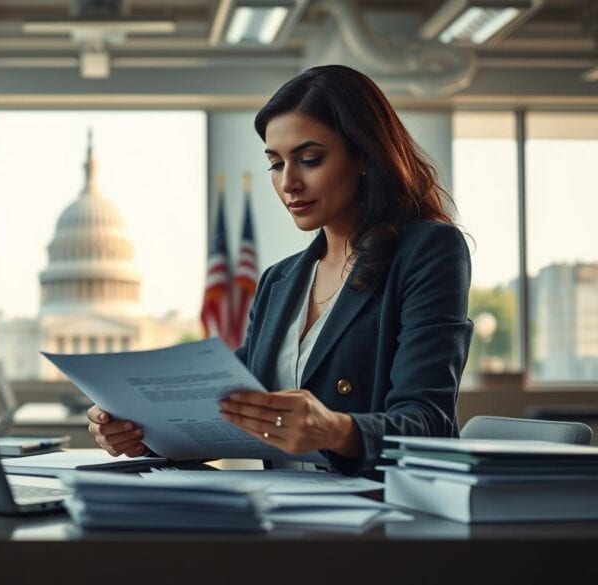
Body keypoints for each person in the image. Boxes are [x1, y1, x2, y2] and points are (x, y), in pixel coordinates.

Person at [86, 64, 473, 476]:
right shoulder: (279, 281)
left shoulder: (427, 250)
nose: (289, 182)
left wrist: (334, 430)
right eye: (275, 163)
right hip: (280, 517)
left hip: (383, 512)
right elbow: (228, 414)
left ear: (364, 155)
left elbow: (428, 423)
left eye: (309, 159)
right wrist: (139, 430)